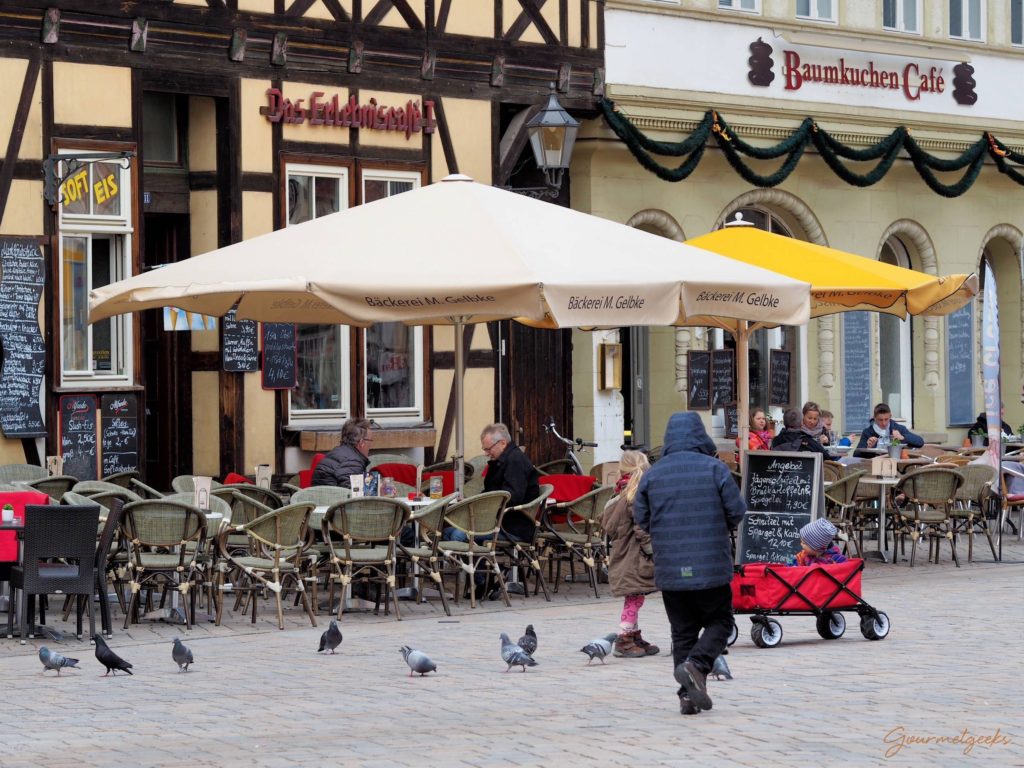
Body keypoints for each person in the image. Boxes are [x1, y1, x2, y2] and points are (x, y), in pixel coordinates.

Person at [633, 412, 746, 716]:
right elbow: (737, 511)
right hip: (710, 565)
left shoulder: (653, 474)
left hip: (670, 567)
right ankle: (696, 667)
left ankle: (687, 696)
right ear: (700, 435)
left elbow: (640, 517)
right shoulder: (715, 469)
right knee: (721, 622)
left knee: (682, 632)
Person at [604, 451, 660, 659]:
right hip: (633, 555)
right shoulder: (636, 496)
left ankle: (634, 634)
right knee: (634, 598)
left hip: (625, 552)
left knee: (635, 595)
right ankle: (624, 638)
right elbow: (641, 528)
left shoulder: (620, 492)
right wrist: (653, 551)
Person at [311, 418, 373, 488]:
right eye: (371, 440)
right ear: (361, 443)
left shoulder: (336, 452)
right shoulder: (353, 461)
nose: (371, 445)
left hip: (318, 497)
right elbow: (353, 494)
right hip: (333, 498)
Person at [855, 402, 923, 453]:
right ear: (874, 418)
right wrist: (868, 447)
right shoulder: (867, 432)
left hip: (896, 465)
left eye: (886, 419)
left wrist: (902, 437)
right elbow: (856, 454)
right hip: (874, 465)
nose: (884, 423)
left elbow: (920, 442)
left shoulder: (898, 428)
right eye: (880, 420)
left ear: (890, 416)